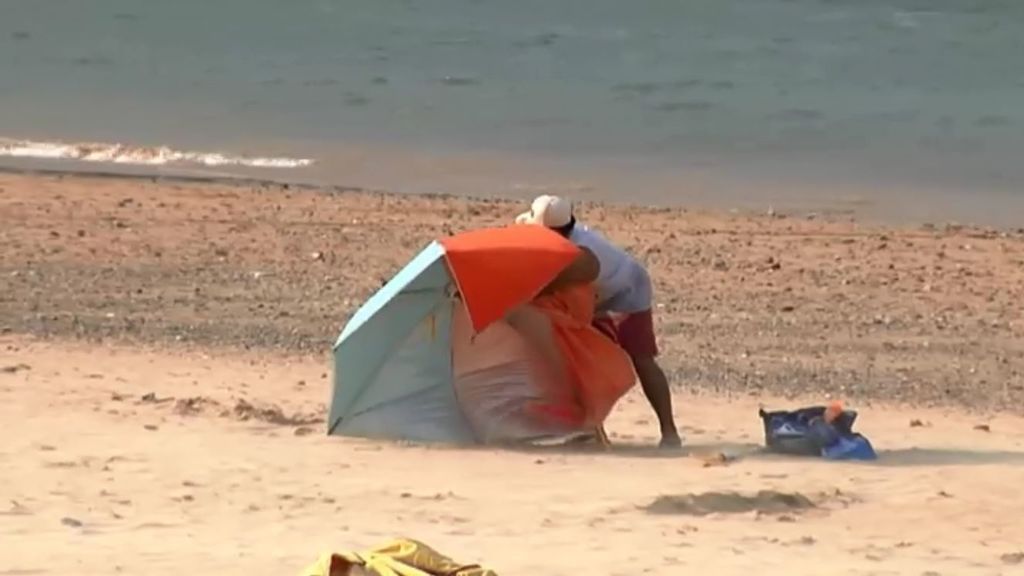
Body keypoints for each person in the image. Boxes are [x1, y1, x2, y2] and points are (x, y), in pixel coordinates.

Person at [516, 195, 682, 448]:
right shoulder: (561, 237)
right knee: (580, 359)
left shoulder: (582, 255)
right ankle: (592, 430)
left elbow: (547, 285)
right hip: (595, 295)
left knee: (642, 358)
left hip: (627, 291)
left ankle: (669, 433)